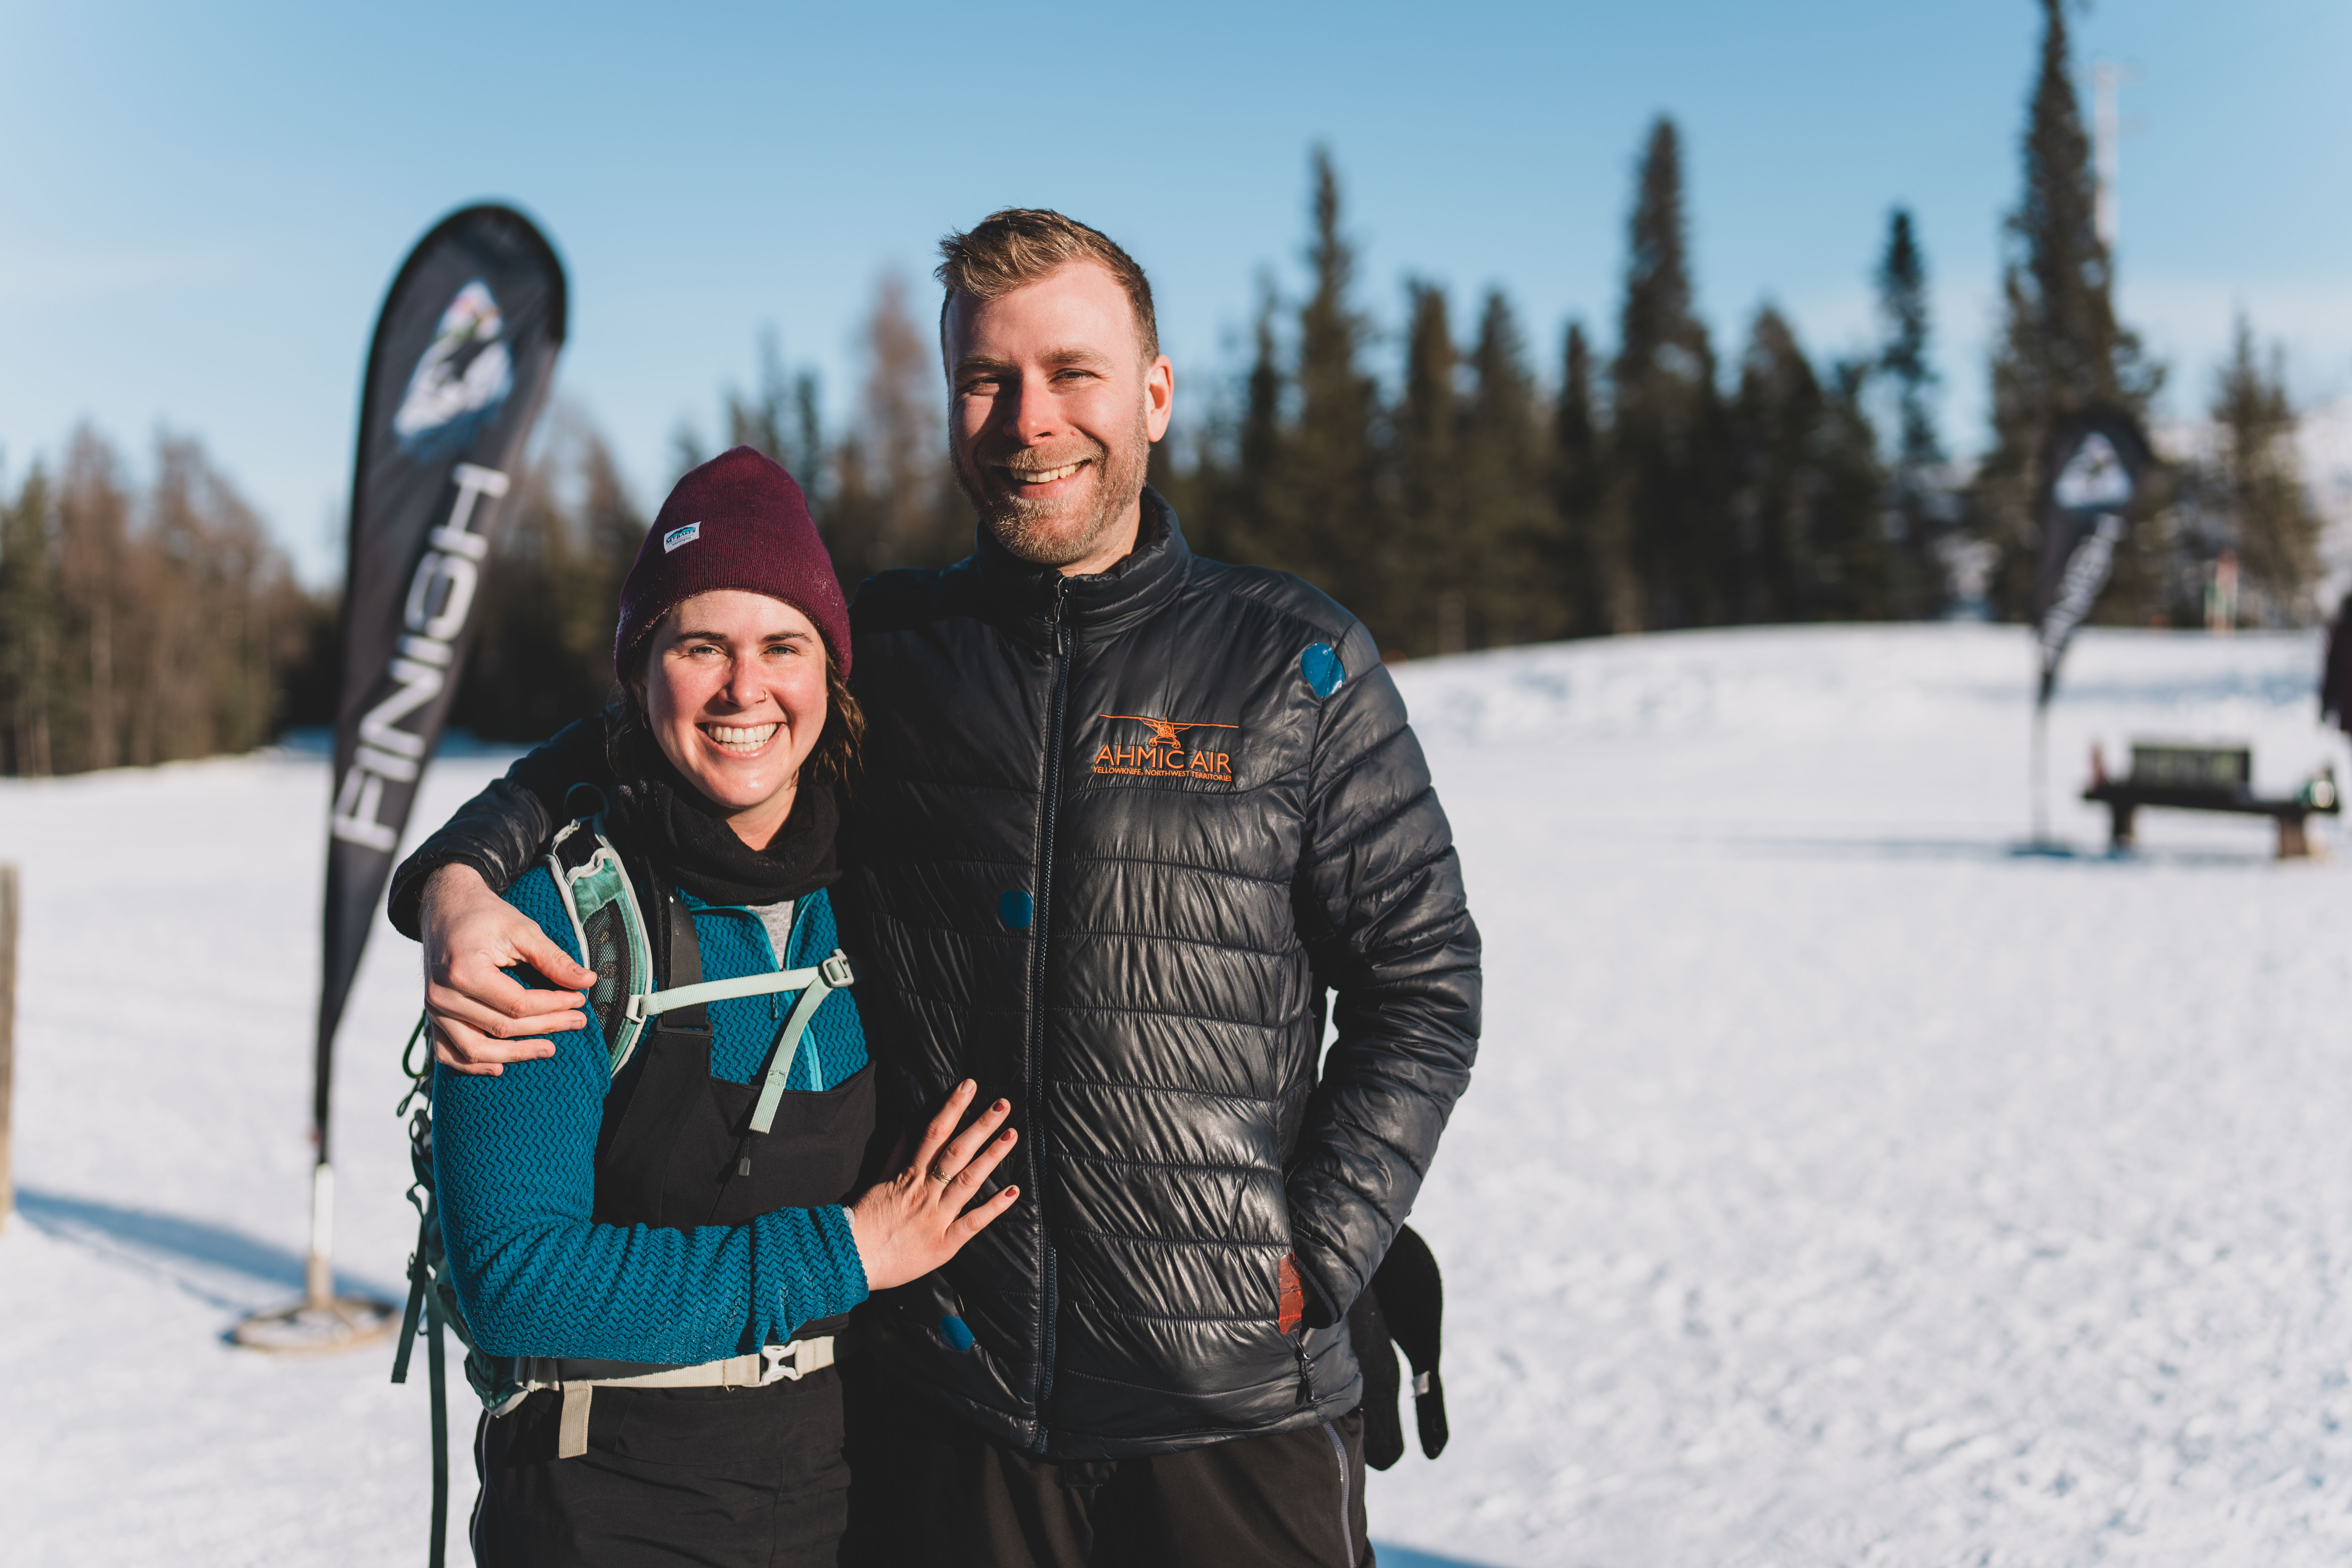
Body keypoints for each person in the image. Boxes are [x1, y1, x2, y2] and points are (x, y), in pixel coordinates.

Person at [391, 209, 1481, 1568]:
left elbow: (1424, 986)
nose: (1032, 420)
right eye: (987, 380)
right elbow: (650, 729)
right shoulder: (898, 655)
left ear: (1154, 393)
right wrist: (458, 875)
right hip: (959, 1419)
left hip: (1230, 1410)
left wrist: (1315, 1252)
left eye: (1073, 373)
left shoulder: (1295, 662)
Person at [428, 446, 1021, 1567]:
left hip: (850, 1492)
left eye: (783, 646)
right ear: (641, 671)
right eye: (701, 647)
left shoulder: (877, 884)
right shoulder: (553, 922)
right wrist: (848, 1253)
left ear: (830, 672)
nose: (746, 690)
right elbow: (515, 1279)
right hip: (606, 1509)